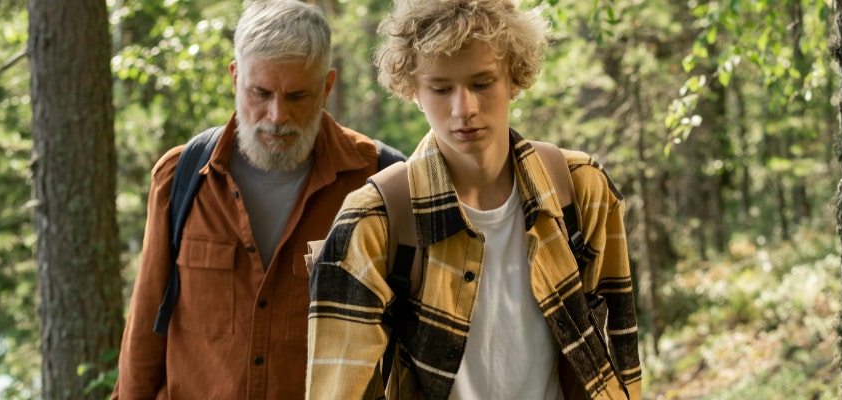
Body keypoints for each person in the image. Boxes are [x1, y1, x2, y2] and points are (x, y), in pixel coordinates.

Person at [306, 0, 642, 399]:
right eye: (441, 88)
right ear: (413, 89)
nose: (464, 108)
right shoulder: (372, 221)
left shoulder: (581, 188)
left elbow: (621, 354)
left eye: (482, 83)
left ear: (514, 78)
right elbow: (336, 390)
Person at [112, 1, 405, 398]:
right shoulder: (181, 178)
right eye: (260, 92)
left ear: (327, 87)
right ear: (235, 78)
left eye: (297, 96)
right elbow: (146, 333)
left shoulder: (382, 182)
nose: (276, 115)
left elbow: (410, 349)